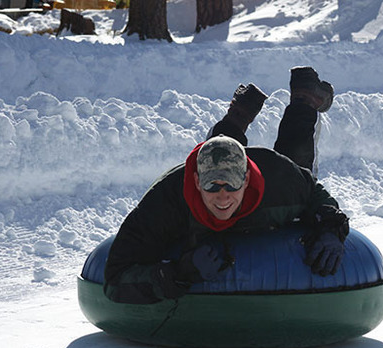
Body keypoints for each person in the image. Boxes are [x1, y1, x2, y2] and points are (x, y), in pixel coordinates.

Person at [104, 66, 348, 305]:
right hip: (193, 187)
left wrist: (330, 228)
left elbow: (316, 195)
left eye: (232, 186)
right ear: (197, 182)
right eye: (212, 186)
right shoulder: (166, 202)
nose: (222, 198)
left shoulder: (278, 181)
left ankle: (304, 99)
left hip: (272, 171)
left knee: (296, 159)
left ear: (246, 181)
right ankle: (239, 114)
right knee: (217, 154)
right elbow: (115, 279)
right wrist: (176, 275)